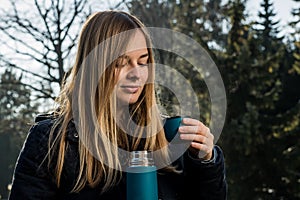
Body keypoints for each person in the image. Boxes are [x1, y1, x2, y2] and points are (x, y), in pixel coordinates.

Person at [9, 10, 227, 200]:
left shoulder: (169, 135)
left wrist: (206, 161)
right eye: (121, 63)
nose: (137, 74)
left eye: (143, 61)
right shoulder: (51, 142)